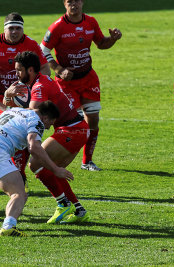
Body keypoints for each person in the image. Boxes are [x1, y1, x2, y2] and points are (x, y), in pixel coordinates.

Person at [3, 51, 90, 223]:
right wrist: (7, 98)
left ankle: (63, 204)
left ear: (30, 70)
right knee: (52, 169)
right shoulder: (40, 81)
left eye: (19, 70)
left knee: (36, 163)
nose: (16, 74)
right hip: (76, 129)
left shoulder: (39, 87)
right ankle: (79, 211)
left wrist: (8, 102)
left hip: (72, 130)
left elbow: (32, 114)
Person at [0, 101, 73, 237]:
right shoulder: (37, 122)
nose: (47, 128)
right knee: (19, 193)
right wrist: (55, 169)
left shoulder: (15, 111)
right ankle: (8, 227)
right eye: (50, 124)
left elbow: (7, 110)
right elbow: (33, 147)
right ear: (45, 118)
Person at [0, 12, 51, 187]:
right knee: (14, 131)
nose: (14, 32)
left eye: (18, 28)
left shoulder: (31, 44)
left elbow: (45, 67)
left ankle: (15, 171)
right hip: (1, 96)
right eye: (11, 28)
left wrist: (34, 87)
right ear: (4, 29)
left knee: (23, 131)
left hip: (25, 97)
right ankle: (16, 174)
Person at [40, 0, 122, 171]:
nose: (74, 4)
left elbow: (101, 44)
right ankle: (57, 162)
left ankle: (87, 162)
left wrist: (112, 39)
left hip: (88, 79)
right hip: (66, 83)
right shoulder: (58, 26)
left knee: (93, 120)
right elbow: (43, 50)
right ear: (64, 4)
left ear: (82, 2)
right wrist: (59, 69)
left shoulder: (90, 22)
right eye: (70, 1)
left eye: (77, 0)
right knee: (74, 125)